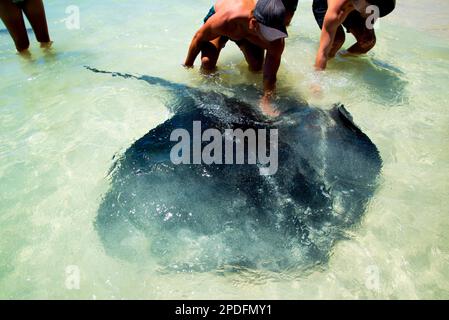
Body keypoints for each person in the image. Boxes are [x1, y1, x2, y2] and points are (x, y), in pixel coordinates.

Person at [184, 0, 298, 116]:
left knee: (256, 67)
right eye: (270, 34)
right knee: (207, 62)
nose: (273, 39)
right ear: (253, 24)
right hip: (228, 22)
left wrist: (266, 99)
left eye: (276, 33)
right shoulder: (225, 19)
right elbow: (198, 38)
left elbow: (270, 75)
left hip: (249, 31)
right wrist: (188, 65)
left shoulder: (276, 40)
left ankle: (244, 44)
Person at [313, 0, 395, 70]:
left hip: (362, 5)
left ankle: (341, 58)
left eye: (375, 13)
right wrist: (317, 83)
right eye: (371, 12)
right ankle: (330, 65)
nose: (372, 16)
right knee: (337, 40)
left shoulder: (374, 7)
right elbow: (323, 52)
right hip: (325, 3)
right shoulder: (337, 10)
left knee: (368, 40)